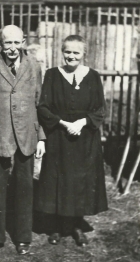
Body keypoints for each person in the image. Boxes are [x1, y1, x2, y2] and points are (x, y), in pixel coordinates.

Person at [0, 25, 45, 255]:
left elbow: (40, 104)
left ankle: (23, 238)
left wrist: (41, 137)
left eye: (16, 42)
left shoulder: (34, 66)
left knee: (25, 188)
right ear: (0, 43)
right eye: (8, 43)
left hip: (27, 135)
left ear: (23, 41)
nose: (12, 48)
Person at [35, 35, 108, 246]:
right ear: (62, 52)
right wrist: (64, 124)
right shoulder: (52, 75)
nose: (71, 56)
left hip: (85, 140)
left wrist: (83, 122)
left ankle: (76, 226)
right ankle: (57, 228)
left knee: (80, 182)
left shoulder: (93, 76)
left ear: (84, 54)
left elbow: (100, 109)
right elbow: (43, 107)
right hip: (59, 137)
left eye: (76, 52)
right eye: (68, 52)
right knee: (58, 180)